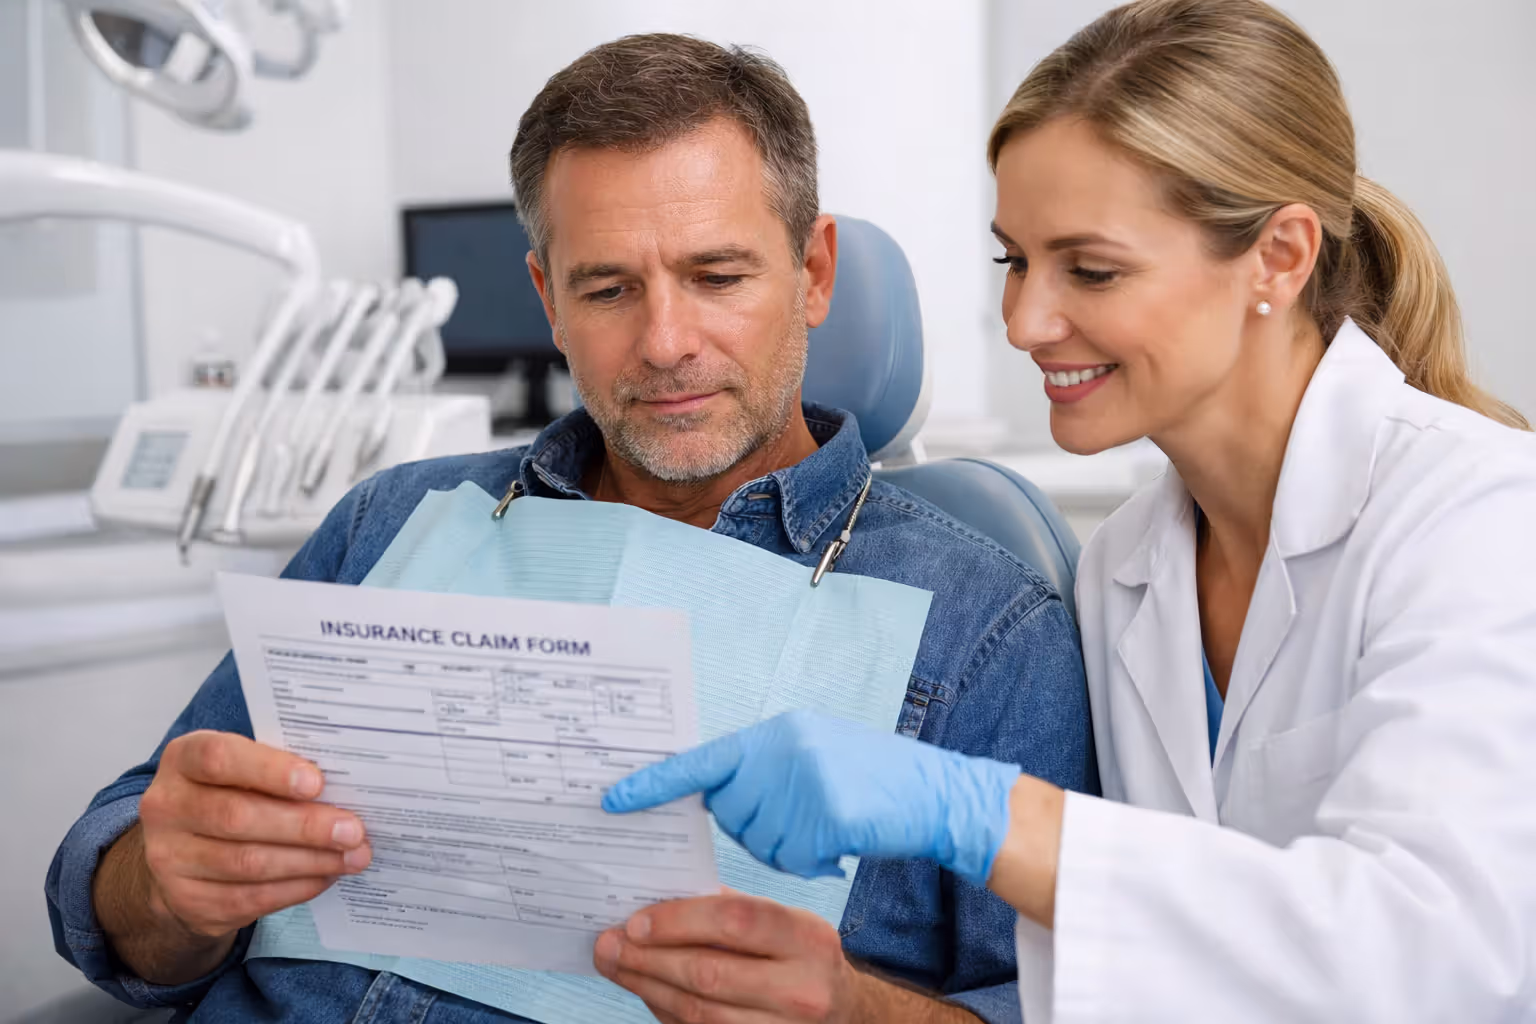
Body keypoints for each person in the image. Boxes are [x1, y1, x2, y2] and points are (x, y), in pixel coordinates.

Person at [45, 33, 1094, 1024]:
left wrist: (858, 1009)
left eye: (717, 276)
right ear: (548, 297)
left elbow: (1076, 1000)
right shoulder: (392, 522)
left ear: (812, 273)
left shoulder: (987, 625)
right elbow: (114, 897)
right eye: (607, 288)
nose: (666, 342)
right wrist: (167, 885)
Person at [599, 1, 1536, 1020]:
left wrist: (983, 813)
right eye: (1016, 260)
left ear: (1278, 256)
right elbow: (1143, 977)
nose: (1025, 321)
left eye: (1090, 268)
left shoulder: (1481, 519)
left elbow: (1441, 957)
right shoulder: (1127, 563)